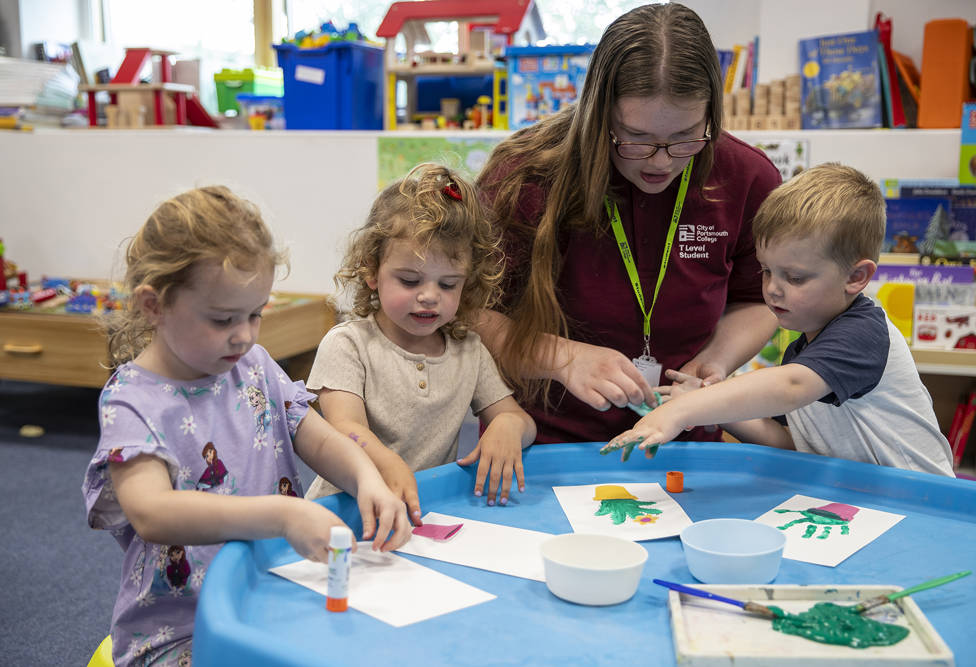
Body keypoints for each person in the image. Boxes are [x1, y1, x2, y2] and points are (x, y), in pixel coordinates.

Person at [82, 186, 412, 666]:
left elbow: (317, 438)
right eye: (222, 319)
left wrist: (366, 478)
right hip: (182, 630)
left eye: (255, 314)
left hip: (275, 595)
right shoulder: (132, 401)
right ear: (153, 306)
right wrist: (283, 514)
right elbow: (151, 512)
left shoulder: (254, 365)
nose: (244, 334)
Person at [475, 2, 782, 444]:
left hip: (679, 439)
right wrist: (562, 358)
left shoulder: (748, 178)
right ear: (599, 115)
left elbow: (758, 299)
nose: (661, 161)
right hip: (542, 443)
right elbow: (470, 314)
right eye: (636, 138)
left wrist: (714, 361)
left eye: (685, 137)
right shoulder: (524, 176)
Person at [604, 163, 955, 477]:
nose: (772, 289)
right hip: (867, 502)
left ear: (856, 277)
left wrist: (679, 413)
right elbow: (791, 445)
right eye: (766, 271)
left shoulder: (864, 333)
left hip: (924, 502)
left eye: (795, 278)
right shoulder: (803, 350)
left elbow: (789, 388)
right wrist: (702, 407)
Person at [304, 163, 536, 518]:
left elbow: (520, 420)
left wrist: (509, 426)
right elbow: (342, 428)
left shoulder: (468, 351)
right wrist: (387, 463)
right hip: (342, 513)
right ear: (371, 270)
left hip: (419, 512)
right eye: (410, 281)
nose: (429, 296)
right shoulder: (348, 345)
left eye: (448, 284)